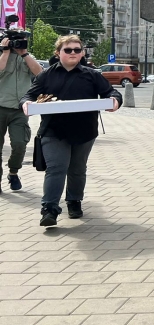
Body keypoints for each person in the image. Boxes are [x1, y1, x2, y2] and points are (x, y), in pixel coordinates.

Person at [21, 35, 121, 226]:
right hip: (53, 130)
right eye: (68, 50)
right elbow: (28, 96)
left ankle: (74, 201)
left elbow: (111, 92)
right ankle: (49, 209)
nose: (73, 53)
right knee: (56, 168)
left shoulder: (92, 75)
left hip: (84, 131)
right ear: (58, 53)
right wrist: (26, 104)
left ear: (82, 53)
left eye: (77, 49)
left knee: (77, 169)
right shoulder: (46, 75)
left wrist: (115, 100)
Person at [0, 30, 44, 192]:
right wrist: (5, 52)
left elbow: (40, 73)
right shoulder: (2, 55)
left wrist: (24, 54)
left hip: (19, 109)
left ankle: (13, 172)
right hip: (0, 107)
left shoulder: (27, 57)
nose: (20, 42)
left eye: (23, 39)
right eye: (17, 40)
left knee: (20, 144)